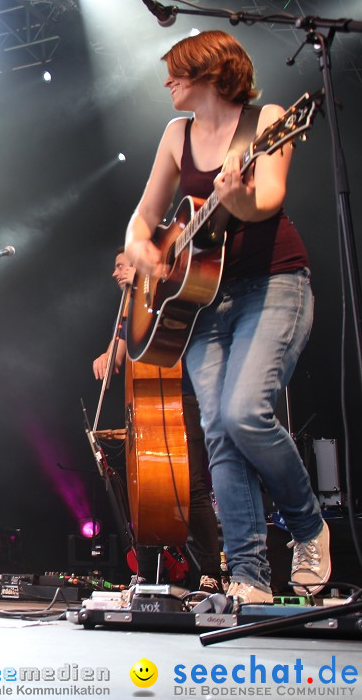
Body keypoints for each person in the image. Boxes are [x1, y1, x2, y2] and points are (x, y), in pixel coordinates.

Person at [124, 30, 328, 604]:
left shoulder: (269, 120)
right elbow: (142, 222)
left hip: (274, 285)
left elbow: (264, 204)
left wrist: (233, 194)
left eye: (177, 73)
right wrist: (144, 250)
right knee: (217, 434)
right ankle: (249, 578)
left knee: (244, 415)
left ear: (211, 74)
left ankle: (309, 528)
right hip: (200, 304)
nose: (168, 82)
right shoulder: (175, 135)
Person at [92, 248, 224, 592]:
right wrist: (108, 354)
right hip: (146, 408)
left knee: (192, 488)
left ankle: (211, 572)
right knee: (146, 492)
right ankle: (146, 576)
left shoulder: (163, 295)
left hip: (183, 397)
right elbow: (120, 349)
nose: (115, 272)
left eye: (121, 265)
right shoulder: (127, 307)